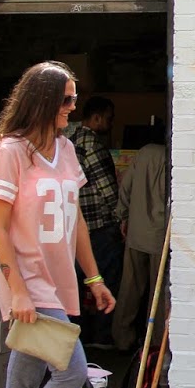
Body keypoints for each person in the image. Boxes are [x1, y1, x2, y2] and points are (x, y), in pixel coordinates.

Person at [0, 61, 116, 388]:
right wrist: (17, 289)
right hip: (27, 280)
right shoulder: (11, 152)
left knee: (22, 382)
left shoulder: (67, 149)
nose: (73, 107)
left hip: (57, 282)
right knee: (71, 370)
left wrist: (94, 279)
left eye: (74, 98)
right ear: (42, 101)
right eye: (67, 99)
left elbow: (76, 222)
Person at [67, 95, 122, 346]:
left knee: (77, 283)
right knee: (105, 279)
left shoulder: (70, 142)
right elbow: (106, 188)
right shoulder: (92, 144)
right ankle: (102, 335)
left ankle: (79, 334)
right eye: (109, 119)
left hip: (77, 224)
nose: (111, 124)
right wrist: (120, 218)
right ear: (97, 118)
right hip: (99, 224)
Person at [113, 138, 169, 352]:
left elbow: (125, 189)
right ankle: (154, 344)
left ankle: (122, 338)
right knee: (158, 293)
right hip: (160, 236)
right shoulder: (172, 157)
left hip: (136, 231)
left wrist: (123, 216)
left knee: (130, 288)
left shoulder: (143, 152)